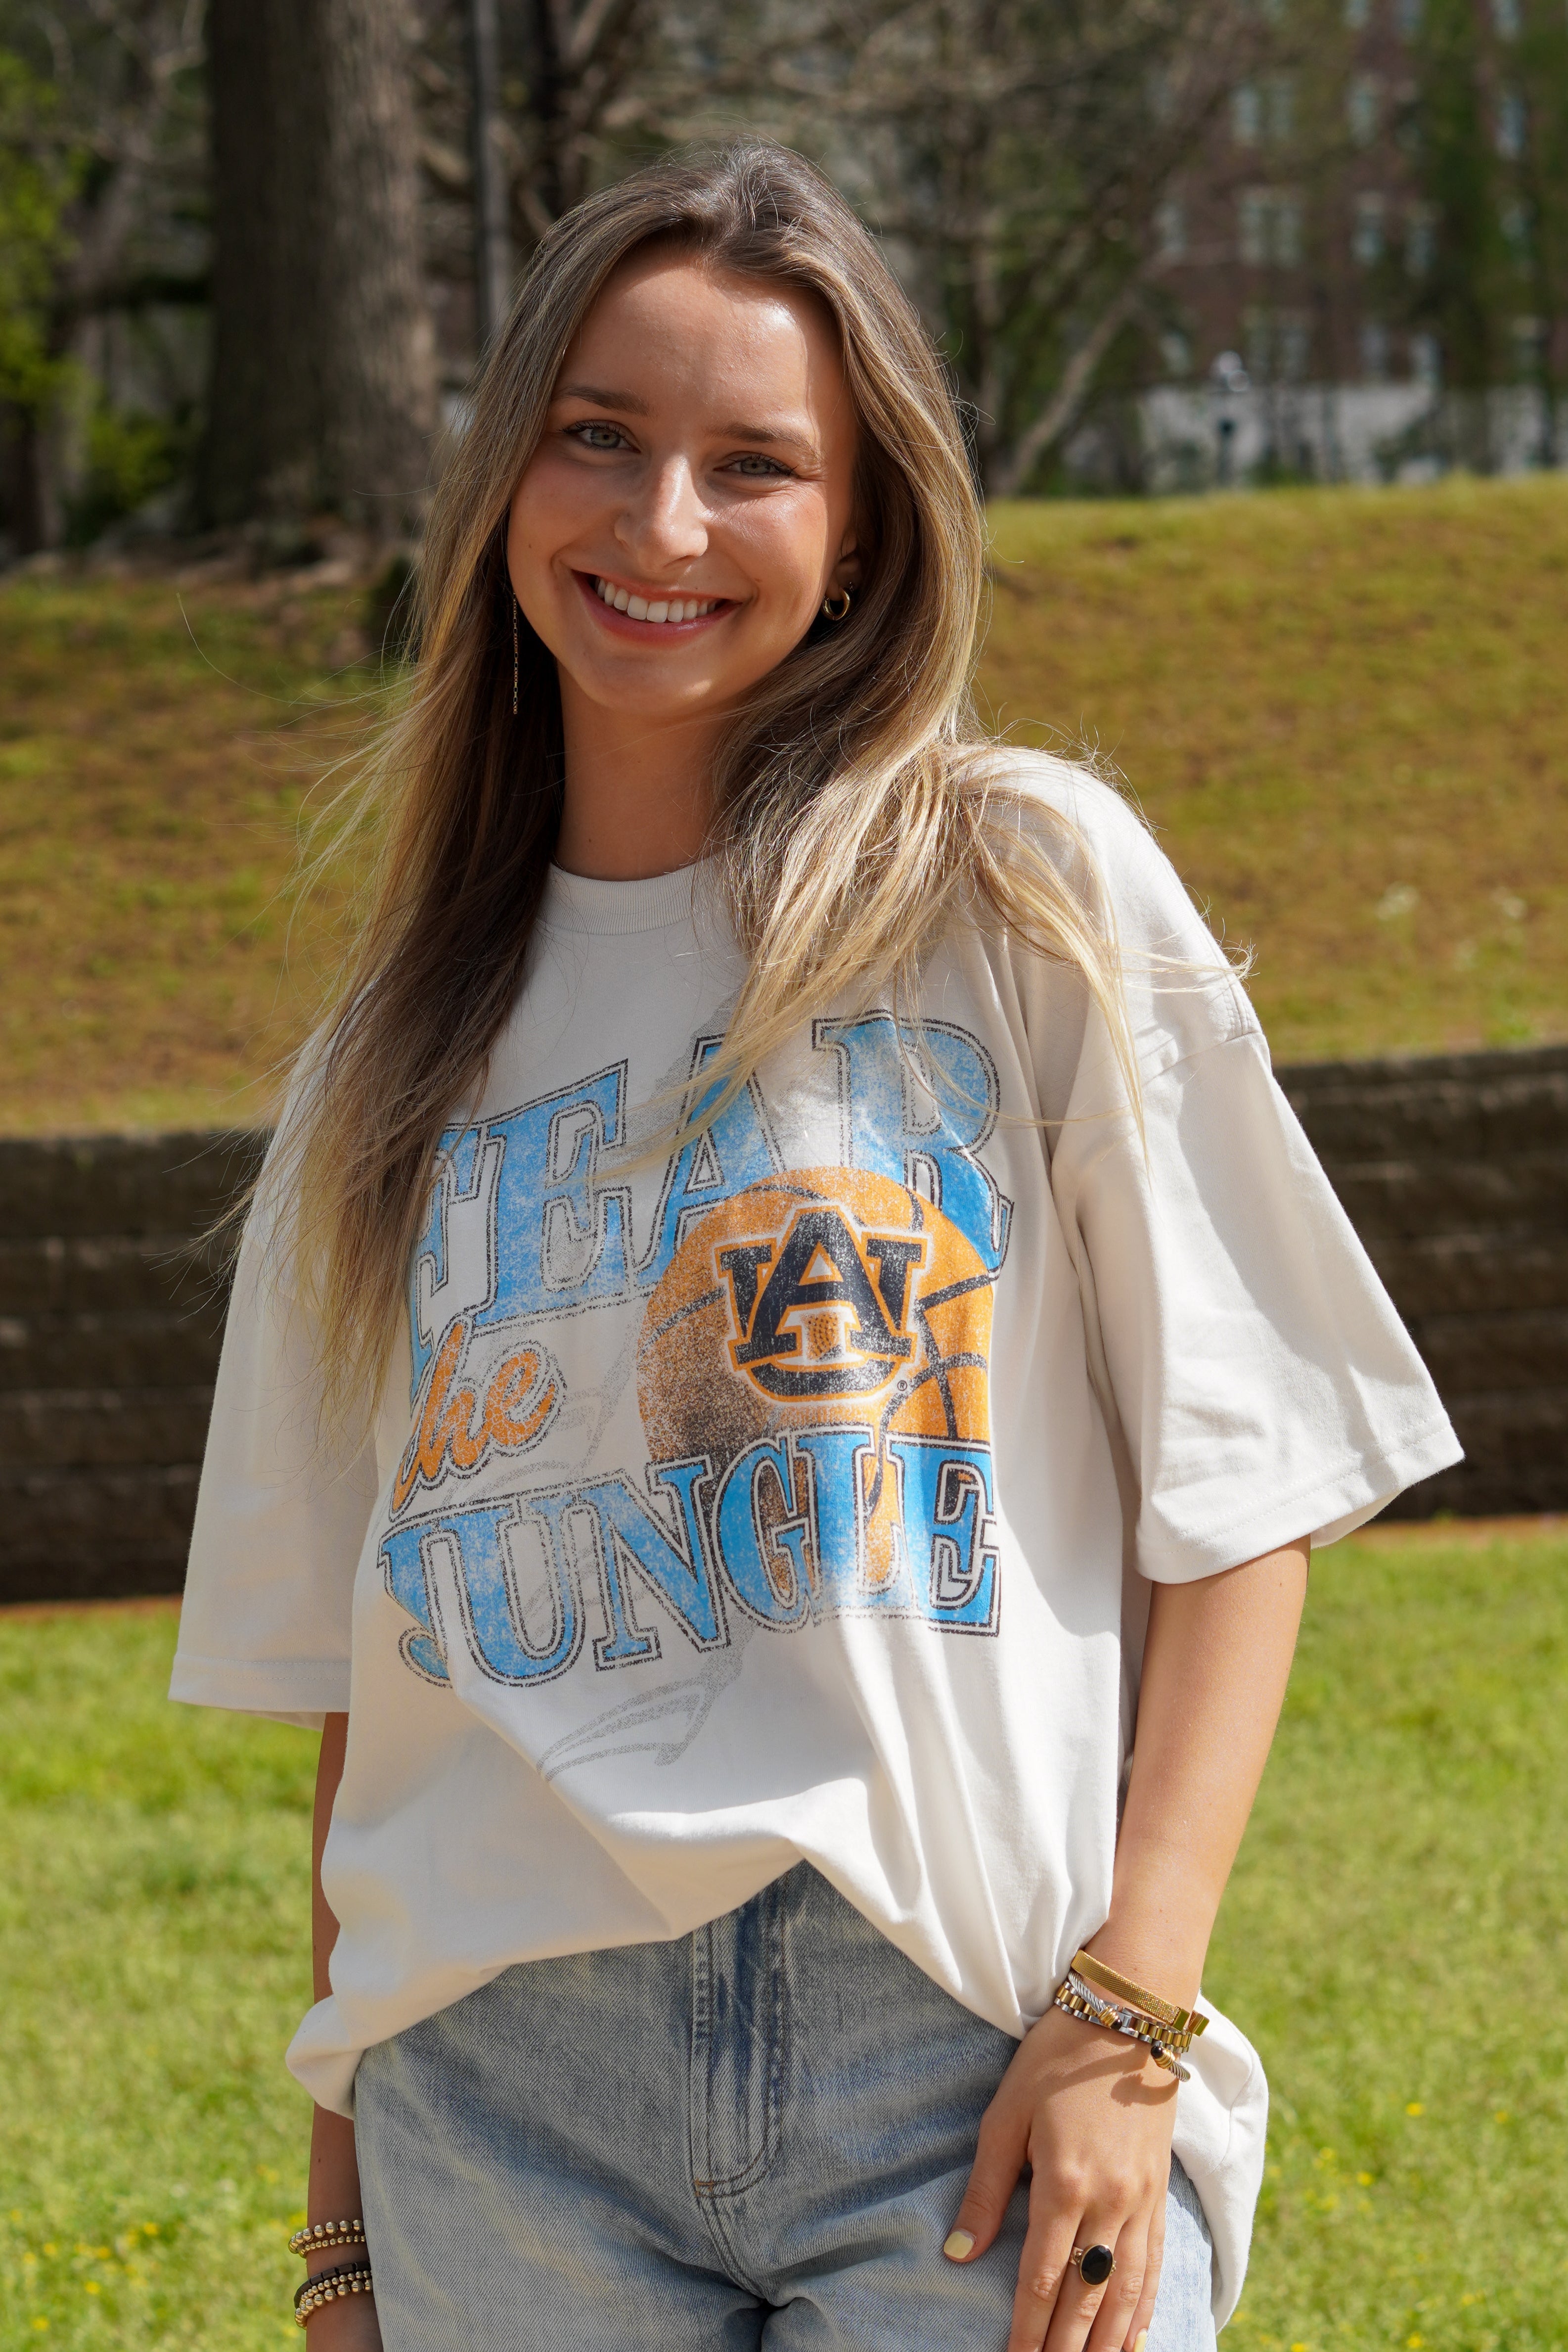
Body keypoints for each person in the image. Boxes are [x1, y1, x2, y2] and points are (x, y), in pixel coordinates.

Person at [172, 142, 1459, 2352]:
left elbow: (1243, 1492)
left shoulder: (1018, 890)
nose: (660, 524)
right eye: (598, 435)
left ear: (860, 529)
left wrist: (1133, 2008)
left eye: (753, 464)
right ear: (504, 479)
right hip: (501, 2100)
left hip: (959, 2054)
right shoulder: (382, 1067)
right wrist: (343, 2232)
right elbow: (379, 1705)